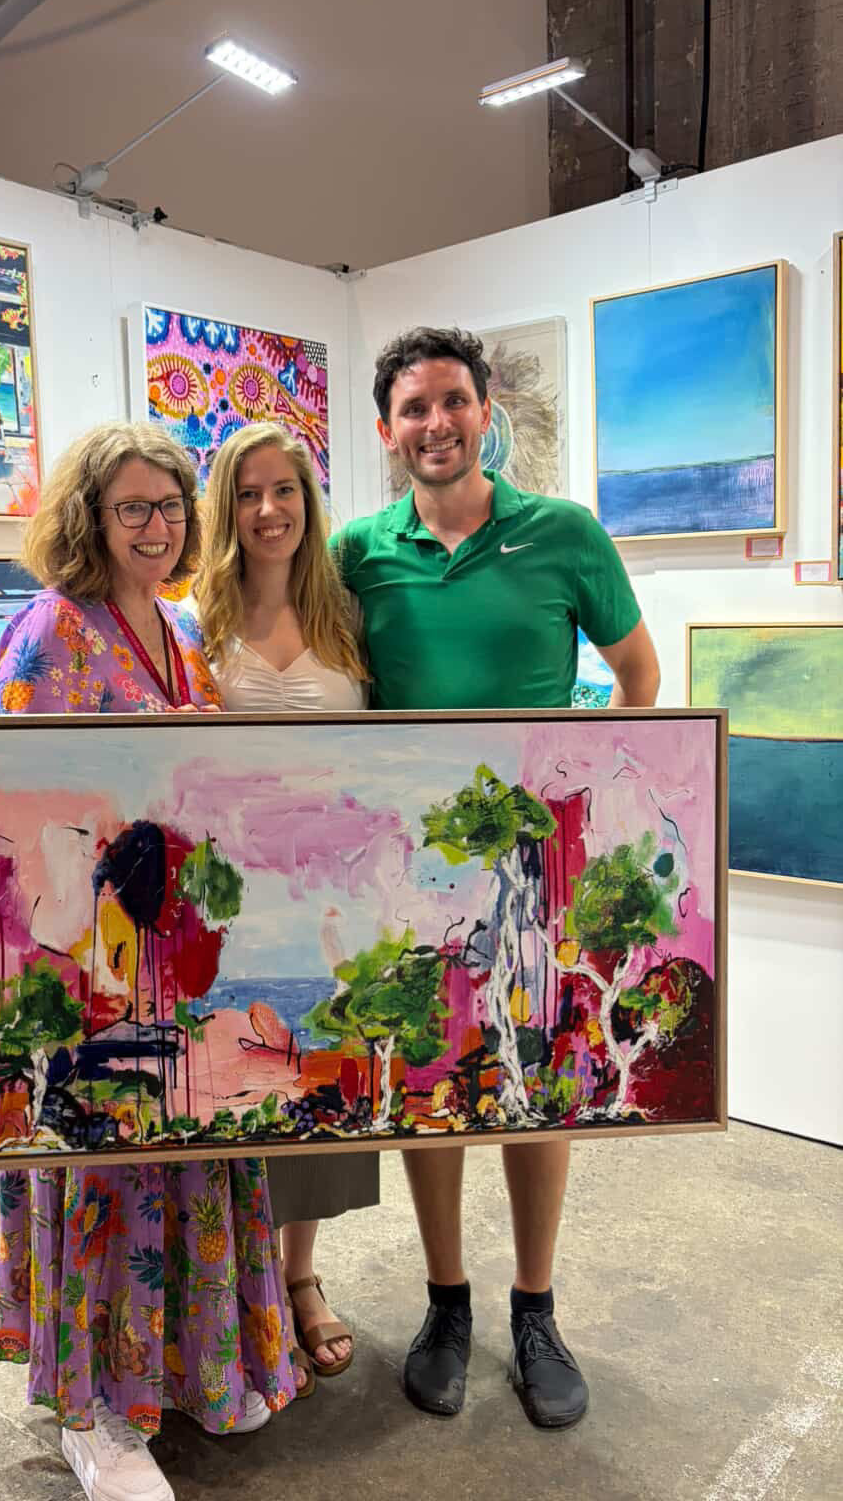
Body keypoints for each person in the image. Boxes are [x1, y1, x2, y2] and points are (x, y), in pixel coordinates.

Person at [332, 327, 660, 1432]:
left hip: (538, 865)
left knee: (537, 1079)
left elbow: (639, 676)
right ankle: (446, 1302)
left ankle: (535, 1309)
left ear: (486, 413)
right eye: (414, 408)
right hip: (414, 873)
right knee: (430, 1078)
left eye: (453, 402)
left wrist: (597, 813)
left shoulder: (565, 533)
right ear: (388, 430)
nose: (436, 424)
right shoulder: (357, 553)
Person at [0, 421, 294, 1501]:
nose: (157, 527)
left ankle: (189, 1372)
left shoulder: (178, 627)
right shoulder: (51, 632)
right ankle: (96, 1413)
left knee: (190, 1162)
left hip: (181, 960)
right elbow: (17, 805)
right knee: (105, 1172)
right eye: (133, 508)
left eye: (170, 507)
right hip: (90, 970)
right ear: (91, 517)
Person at [196, 421, 377, 1398]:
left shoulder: (347, 617)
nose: (269, 510)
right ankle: (245, 1291)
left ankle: (300, 1278)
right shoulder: (195, 621)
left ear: (309, 501)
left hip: (332, 900)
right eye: (249, 492)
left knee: (318, 1087)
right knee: (238, 1089)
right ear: (226, 508)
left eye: (286, 491)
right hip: (230, 905)